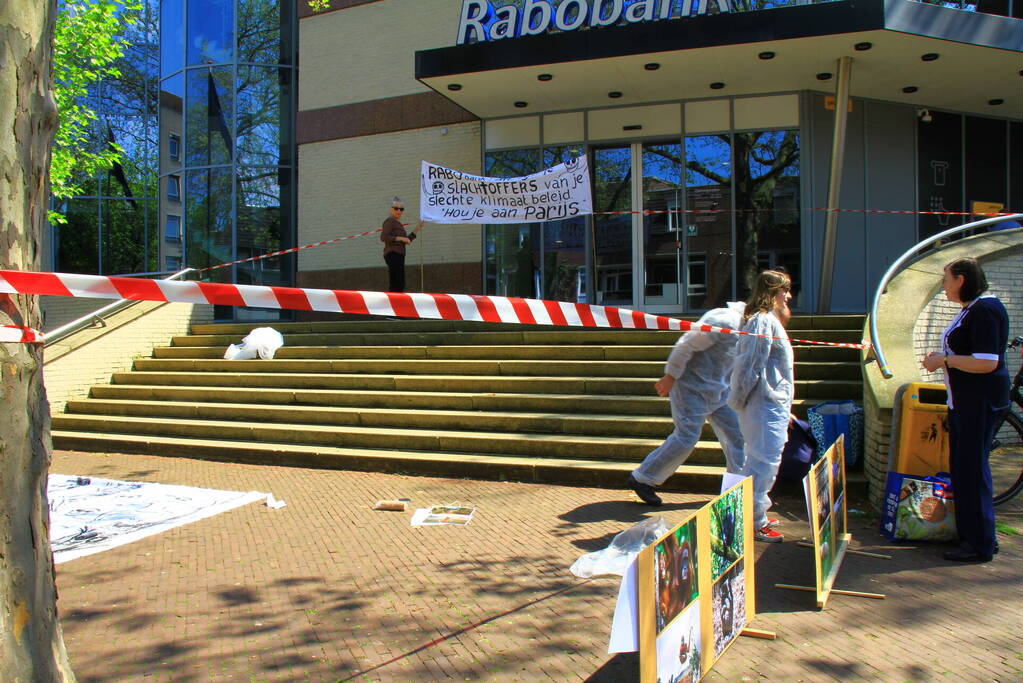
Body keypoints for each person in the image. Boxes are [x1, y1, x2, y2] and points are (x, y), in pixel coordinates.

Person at [922, 257, 1009, 563]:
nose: (944, 287)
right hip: (965, 402)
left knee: (972, 472)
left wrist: (944, 360)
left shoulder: (986, 310)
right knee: (965, 469)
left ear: (961, 279)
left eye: (946, 280)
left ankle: (980, 543)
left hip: (978, 403)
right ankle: (978, 535)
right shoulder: (974, 308)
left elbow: (987, 362)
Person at [627, 302, 747, 506]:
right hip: (690, 388)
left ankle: (736, 491)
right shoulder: (725, 320)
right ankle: (642, 478)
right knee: (687, 436)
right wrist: (670, 376)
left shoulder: (750, 328)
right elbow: (687, 343)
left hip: (720, 390)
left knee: (739, 437)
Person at [727, 270, 793, 543]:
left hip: (768, 404)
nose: (788, 296)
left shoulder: (765, 321)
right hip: (762, 404)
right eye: (784, 290)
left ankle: (754, 514)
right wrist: (739, 399)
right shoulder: (762, 322)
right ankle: (754, 521)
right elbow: (749, 365)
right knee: (762, 464)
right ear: (773, 291)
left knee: (762, 462)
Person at [381, 197, 422, 293]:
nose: (399, 211)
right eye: (396, 208)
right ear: (391, 209)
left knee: (399, 282)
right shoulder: (390, 221)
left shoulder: (398, 224)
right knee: (397, 282)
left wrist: (417, 228)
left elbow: (407, 240)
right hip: (393, 254)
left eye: (401, 209)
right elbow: (384, 237)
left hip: (399, 254)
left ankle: (395, 303)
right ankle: (393, 303)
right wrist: (400, 238)